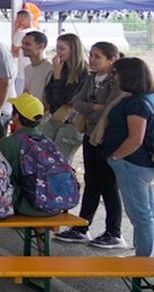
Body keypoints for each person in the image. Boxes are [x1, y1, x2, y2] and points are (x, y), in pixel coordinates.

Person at [56, 41, 126, 248]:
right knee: (92, 182)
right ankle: (82, 227)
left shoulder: (116, 82)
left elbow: (110, 109)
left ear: (112, 60)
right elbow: (76, 102)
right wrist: (93, 106)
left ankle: (114, 232)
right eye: (91, 55)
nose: (92, 60)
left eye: (98, 56)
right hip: (90, 134)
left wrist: (92, 107)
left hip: (107, 137)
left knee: (108, 184)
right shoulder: (92, 77)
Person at [102, 57, 154, 257]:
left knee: (140, 215)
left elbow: (135, 139)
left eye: (115, 73)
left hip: (132, 164)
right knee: (146, 212)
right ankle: (143, 253)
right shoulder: (145, 97)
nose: (113, 77)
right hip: (140, 163)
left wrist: (116, 157)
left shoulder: (136, 103)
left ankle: (142, 260)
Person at [42, 33, 89, 162]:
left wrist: (57, 76)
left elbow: (66, 99)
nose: (58, 52)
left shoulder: (83, 72)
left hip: (72, 122)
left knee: (60, 160)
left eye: (62, 49)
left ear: (73, 50)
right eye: (57, 48)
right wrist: (56, 74)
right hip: (56, 117)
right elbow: (50, 96)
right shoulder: (60, 68)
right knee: (43, 150)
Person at [21, 31, 53, 99]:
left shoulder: (50, 69)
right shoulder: (27, 68)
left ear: (41, 46)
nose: (22, 47)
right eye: (22, 43)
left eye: (27, 44)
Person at [11, 9, 35, 95]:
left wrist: (15, 29)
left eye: (17, 19)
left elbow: (14, 52)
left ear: (22, 21)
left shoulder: (21, 33)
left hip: (23, 72)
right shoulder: (39, 32)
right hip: (36, 71)